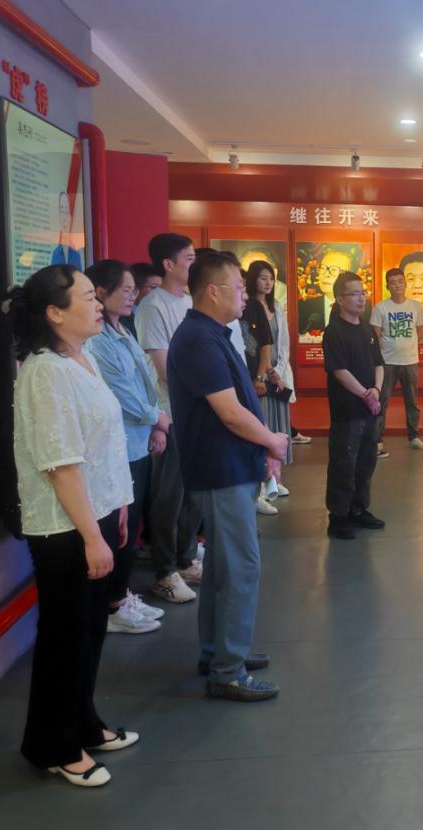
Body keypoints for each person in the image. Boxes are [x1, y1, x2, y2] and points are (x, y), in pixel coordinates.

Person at [6, 264, 137, 788]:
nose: (98, 304)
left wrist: (118, 506)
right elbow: (60, 464)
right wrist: (91, 536)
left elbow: (102, 443)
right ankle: (53, 746)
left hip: (95, 514)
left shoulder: (83, 358)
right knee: (65, 637)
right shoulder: (45, 372)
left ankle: (84, 724)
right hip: (65, 528)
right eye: (86, 297)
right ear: (54, 313)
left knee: (89, 631)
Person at [167, 249, 289, 701]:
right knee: (240, 567)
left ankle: (217, 652)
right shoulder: (199, 339)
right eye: (238, 287)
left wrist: (264, 447)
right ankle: (228, 670)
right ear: (212, 291)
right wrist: (272, 441)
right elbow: (231, 412)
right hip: (220, 470)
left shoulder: (213, 333)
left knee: (222, 565)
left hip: (229, 466)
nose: (245, 295)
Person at [84, 260, 168, 635]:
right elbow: (122, 394)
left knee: (130, 526)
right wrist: (156, 418)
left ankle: (121, 595)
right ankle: (114, 604)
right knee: (120, 527)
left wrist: (155, 421)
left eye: (135, 290)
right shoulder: (97, 341)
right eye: (127, 290)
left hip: (138, 440)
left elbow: (146, 380)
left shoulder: (123, 328)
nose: (133, 296)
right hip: (119, 446)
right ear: (102, 293)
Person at [136, 233, 201, 604]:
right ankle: (164, 571)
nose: (194, 264)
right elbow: (164, 370)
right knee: (169, 496)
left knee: (193, 493)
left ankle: (186, 558)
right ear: (168, 264)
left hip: (197, 412)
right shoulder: (153, 307)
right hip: (171, 413)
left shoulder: (190, 302)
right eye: (188, 258)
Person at [323, 271, 386, 540]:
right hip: (347, 411)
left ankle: (358, 509)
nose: (362, 298)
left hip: (369, 410)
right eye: (355, 294)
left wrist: (376, 390)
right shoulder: (334, 332)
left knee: (366, 462)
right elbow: (339, 370)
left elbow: (379, 363)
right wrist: (365, 394)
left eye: (363, 293)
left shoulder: (366, 330)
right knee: (343, 464)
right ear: (340, 299)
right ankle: (338, 517)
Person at [245, 261, 294, 507]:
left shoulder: (277, 307)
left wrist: (279, 371)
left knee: (278, 426)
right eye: (263, 278)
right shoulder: (247, 307)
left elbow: (283, 344)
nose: (268, 283)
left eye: (271, 278)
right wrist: (266, 373)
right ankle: (262, 485)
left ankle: (275, 477)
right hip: (259, 375)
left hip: (278, 375)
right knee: (262, 427)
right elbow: (252, 346)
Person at [370, 267, 423, 457]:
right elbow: (376, 335)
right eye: (393, 282)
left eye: (400, 281)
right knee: (382, 402)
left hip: (410, 362)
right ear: (388, 286)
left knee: (412, 402)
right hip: (387, 362)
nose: (397, 285)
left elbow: (421, 330)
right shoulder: (380, 308)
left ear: (405, 283)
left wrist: (409, 345)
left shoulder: (415, 306)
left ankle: (414, 437)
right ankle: (377, 440)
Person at [298, 247, 356, 337]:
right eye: (323, 268)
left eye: (334, 270)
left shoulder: (363, 309)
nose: (326, 274)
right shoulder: (304, 307)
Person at [123, 262, 163, 338]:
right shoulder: (122, 318)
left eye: (161, 288)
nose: (159, 293)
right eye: (154, 287)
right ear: (135, 287)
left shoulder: (159, 312)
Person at [50, 192, 84, 270]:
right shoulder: (55, 254)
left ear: (70, 217)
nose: (64, 216)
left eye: (66, 211)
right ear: (58, 216)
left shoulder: (76, 255)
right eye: (62, 211)